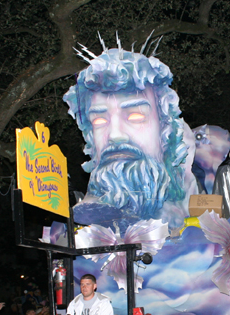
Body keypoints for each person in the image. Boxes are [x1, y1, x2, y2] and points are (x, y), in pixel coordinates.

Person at [63, 48, 200, 228]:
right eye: (99, 120)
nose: (115, 135)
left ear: (165, 129)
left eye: (135, 116)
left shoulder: (187, 207)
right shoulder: (87, 215)